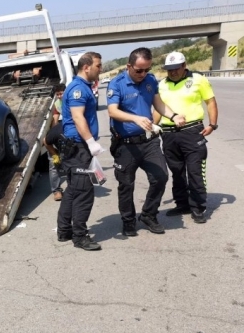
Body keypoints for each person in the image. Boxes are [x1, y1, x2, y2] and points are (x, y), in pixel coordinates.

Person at [106, 47, 185, 237]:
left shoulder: (150, 80)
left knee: (160, 177)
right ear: (129, 66)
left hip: (149, 141)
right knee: (126, 184)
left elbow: (157, 103)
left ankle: (149, 214)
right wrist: (135, 118)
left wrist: (173, 115)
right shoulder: (117, 84)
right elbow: (112, 111)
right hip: (125, 144)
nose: (143, 74)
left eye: (147, 69)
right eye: (139, 70)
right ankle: (128, 220)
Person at [153, 51, 219, 224]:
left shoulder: (198, 80)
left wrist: (212, 124)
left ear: (184, 66)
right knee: (177, 172)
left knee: (195, 171)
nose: (172, 72)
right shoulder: (162, 85)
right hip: (168, 134)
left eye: (176, 68)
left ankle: (198, 207)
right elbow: (158, 109)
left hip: (192, 132)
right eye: (169, 69)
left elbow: (210, 101)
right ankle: (182, 204)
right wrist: (153, 128)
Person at [57, 52, 103, 251]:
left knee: (73, 191)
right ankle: (80, 237)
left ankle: (64, 230)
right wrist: (91, 142)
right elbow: (78, 117)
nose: (100, 69)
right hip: (79, 148)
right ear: (87, 67)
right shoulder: (78, 89)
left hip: (74, 147)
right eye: (98, 66)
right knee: (84, 192)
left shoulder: (82, 86)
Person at [44, 83, 66, 201]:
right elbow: (55, 121)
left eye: (61, 93)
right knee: (53, 163)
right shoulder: (57, 104)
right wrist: (54, 135)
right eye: (57, 94)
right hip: (60, 134)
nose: (59, 96)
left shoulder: (72, 101)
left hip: (69, 133)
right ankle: (56, 191)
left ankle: (75, 186)